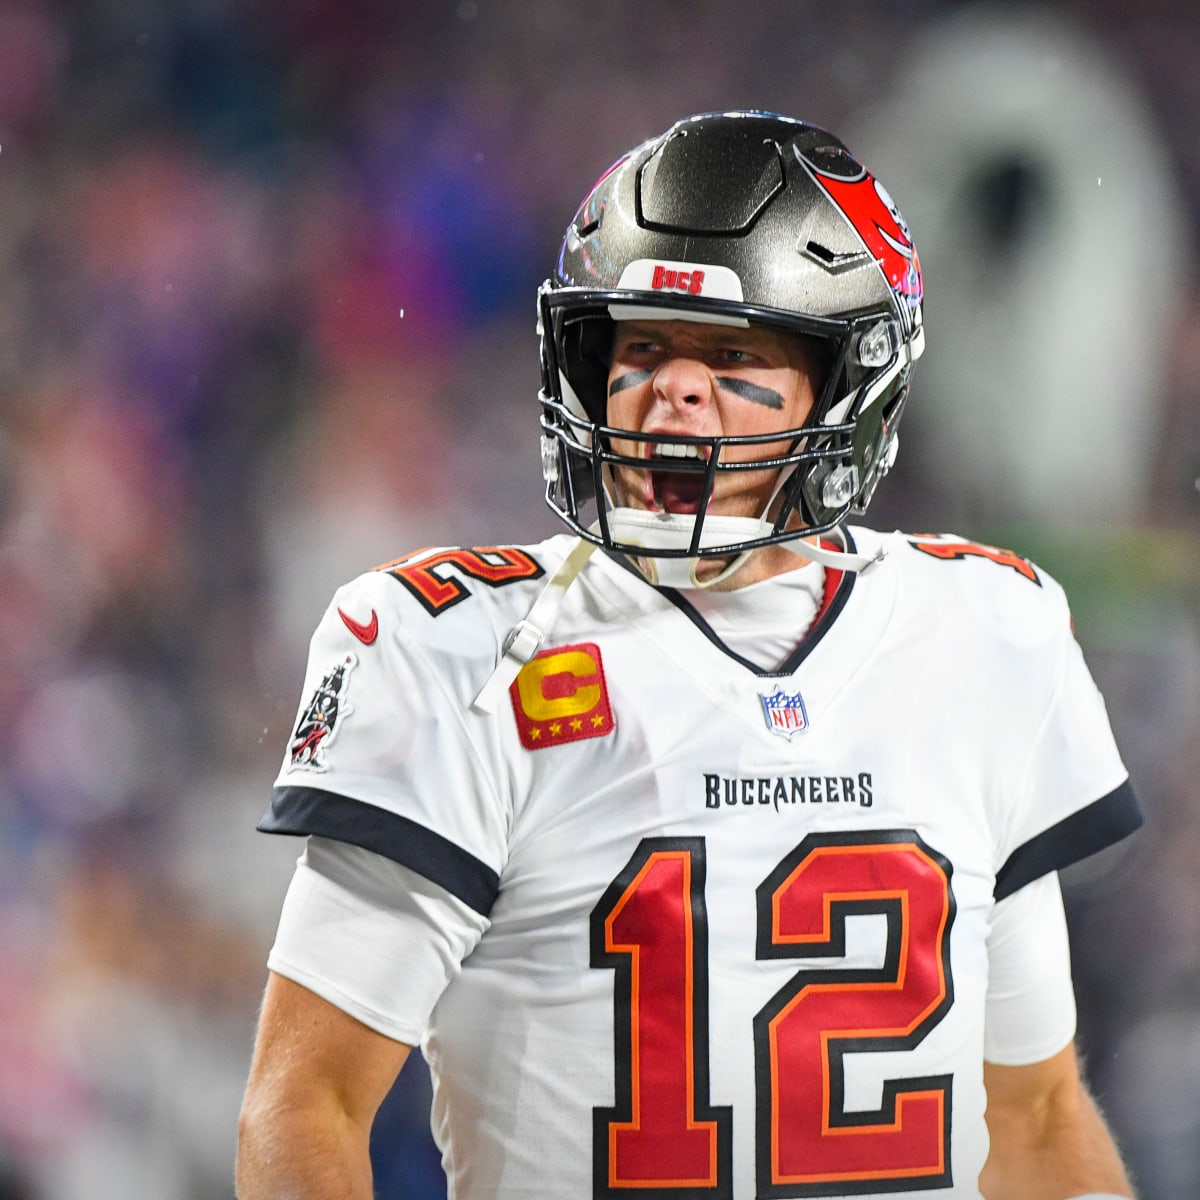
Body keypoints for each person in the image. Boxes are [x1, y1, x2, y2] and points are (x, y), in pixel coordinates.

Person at [236, 111, 1143, 1199]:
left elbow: (1034, 1119)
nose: (673, 388)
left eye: (731, 354)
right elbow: (306, 1104)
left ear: (847, 387)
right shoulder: (462, 653)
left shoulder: (987, 635)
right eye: (642, 345)